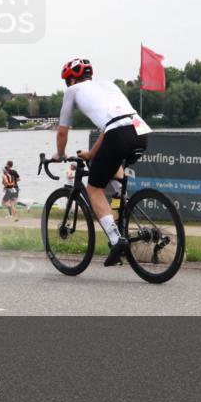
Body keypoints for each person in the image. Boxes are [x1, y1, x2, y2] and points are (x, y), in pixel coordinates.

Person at [55, 57, 151, 266]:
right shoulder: (108, 84)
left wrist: (60, 154)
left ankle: (117, 240)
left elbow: (62, 131)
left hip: (118, 134)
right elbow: (110, 125)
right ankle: (121, 205)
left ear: (71, 80)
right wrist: (90, 155)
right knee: (113, 166)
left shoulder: (72, 91)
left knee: (94, 189)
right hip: (140, 130)